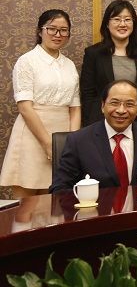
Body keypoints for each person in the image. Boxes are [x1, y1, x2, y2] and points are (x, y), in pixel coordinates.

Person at [0, 10, 81, 198]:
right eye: (52, 29)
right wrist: (47, 143)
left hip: (62, 135)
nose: (58, 35)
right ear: (40, 31)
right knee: (25, 207)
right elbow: (25, 107)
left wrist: (73, 141)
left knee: (53, 202)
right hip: (32, 134)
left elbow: (75, 107)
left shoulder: (69, 65)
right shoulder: (27, 61)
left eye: (63, 30)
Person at [50, 80, 137, 192]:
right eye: (114, 103)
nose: (121, 110)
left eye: (129, 104)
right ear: (102, 106)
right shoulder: (79, 140)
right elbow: (60, 188)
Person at [80, 0, 137, 126]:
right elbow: (88, 94)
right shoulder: (94, 54)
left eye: (127, 19)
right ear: (107, 24)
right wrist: (90, 125)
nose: (122, 24)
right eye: (117, 19)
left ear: (133, 24)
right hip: (101, 122)